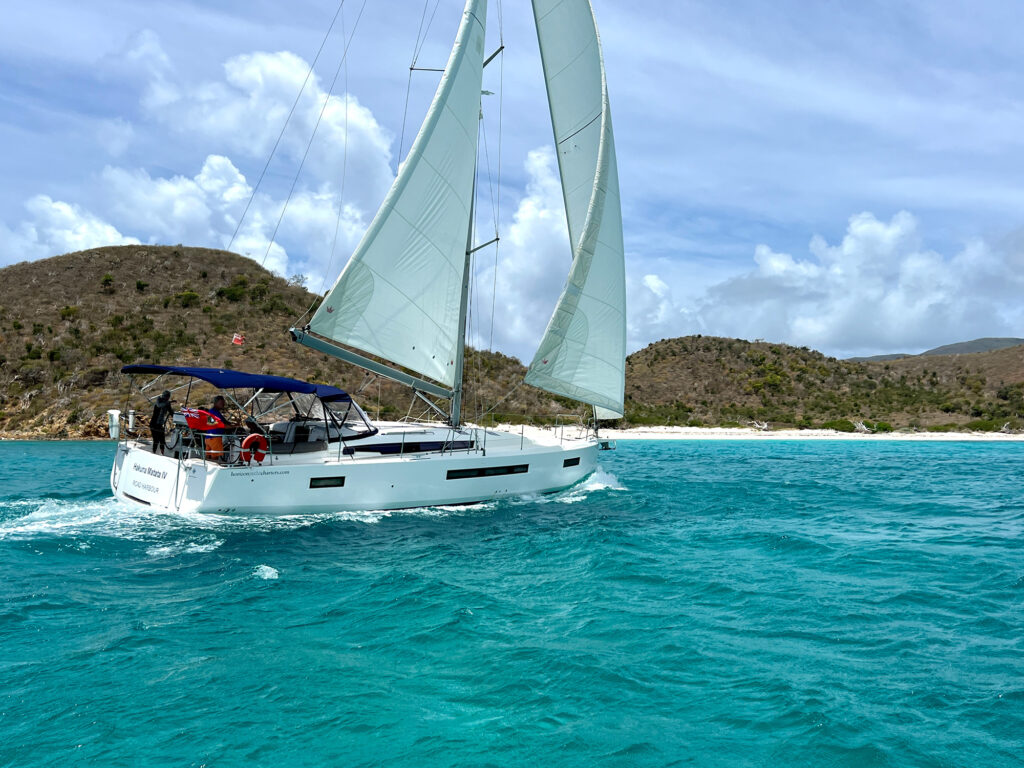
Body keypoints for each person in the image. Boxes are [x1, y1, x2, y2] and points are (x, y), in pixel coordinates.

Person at [204, 395, 232, 460]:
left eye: (223, 403)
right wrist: (235, 426)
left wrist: (231, 423)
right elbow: (223, 425)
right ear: (216, 403)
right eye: (221, 403)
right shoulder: (216, 413)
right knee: (215, 457)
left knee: (208, 456)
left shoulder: (212, 411)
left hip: (208, 437)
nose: (223, 405)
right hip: (215, 437)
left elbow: (224, 421)